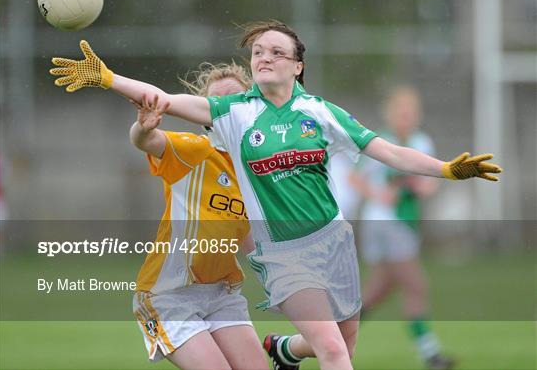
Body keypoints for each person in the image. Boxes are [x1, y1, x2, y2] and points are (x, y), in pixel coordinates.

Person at [50, 21, 502, 370]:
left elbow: (385, 150)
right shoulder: (230, 120)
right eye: (258, 51)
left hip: (321, 248)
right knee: (332, 350)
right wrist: (108, 78)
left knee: (342, 342)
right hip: (264, 263)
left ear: (297, 64)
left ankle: (285, 350)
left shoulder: (319, 112)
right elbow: (156, 112)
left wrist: (445, 169)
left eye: (276, 51)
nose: (264, 57)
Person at [110, 62, 268, 369]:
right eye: (215, 103)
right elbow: (146, 141)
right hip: (168, 296)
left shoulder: (257, 169)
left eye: (233, 100)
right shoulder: (196, 150)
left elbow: (246, 233)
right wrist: (143, 127)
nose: (225, 108)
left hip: (222, 293)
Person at [350, 86, 454, 370]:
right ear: (390, 114)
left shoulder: (422, 142)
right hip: (384, 222)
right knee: (416, 285)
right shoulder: (380, 142)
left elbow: (430, 181)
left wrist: (425, 187)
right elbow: (355, 179)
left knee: (377, 292)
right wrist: (379, 194)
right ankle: (431, 354)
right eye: (401, 112)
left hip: (406, 221)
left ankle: (328, 339)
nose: (406, 118)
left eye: (410, 113)